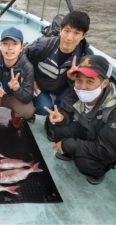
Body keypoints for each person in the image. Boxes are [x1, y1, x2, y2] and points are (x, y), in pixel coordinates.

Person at [44, 55, 116, 185]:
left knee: (83, 163)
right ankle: (69, 153)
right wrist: (61, 118)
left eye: (90, 81)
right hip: (87, 129)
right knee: (58, 128)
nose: (82, 87)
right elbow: (66, 111)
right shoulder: (76, 90)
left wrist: (70, 145)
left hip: (105, 145)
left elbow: (107, 150)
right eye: (79, 80)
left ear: (104, 83)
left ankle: (99, 171)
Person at [24, 10, 93, 139]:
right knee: (43, 107)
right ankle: (43, 111)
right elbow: (23, 57)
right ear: (61, 30)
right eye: (67, 31)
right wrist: (31, 80)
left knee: (64, 107)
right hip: (41, 85)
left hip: (64, 87)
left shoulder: (85, 58)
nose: (69, 38)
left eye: (76, 33)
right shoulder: (43, 45)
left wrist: (74, 79)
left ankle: (52, 122)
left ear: (83, 36)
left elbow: (84, 88)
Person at [0, 27, 35, 129]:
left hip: (15, 96)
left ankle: (15, 116)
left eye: (15, 44)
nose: (10, 48)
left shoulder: (27, 67)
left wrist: (17, 89)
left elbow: (28, 96)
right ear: (0, 45)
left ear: (21, 47)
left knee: (28, 111)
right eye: (5, 43)